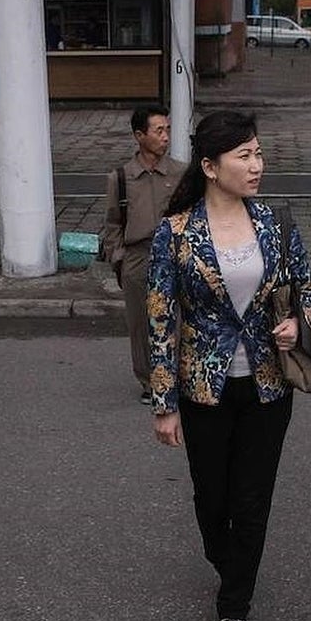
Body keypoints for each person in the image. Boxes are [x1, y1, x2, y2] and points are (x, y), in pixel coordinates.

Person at [147, 110, 311, 621]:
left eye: (258, 153)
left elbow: (306, 289)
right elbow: (160, 319)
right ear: (210, 167)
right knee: (211, 501)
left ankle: (234, 602)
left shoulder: (275, 224)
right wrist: (164, 403)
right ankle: (229, 561)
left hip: (268, 386)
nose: (257, 165)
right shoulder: (175, 233)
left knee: (252, 500)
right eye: (244, 156)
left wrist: (297, 322)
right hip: (204, 389)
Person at [99, 105, 187, 405]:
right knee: (141, 324)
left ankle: (177, 377)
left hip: (172, 254)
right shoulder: (121, 178)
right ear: (139, 136)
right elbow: (112, 223)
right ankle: (150, 382)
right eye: (158, 131)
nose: (165, 137)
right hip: (137, 257)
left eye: (167, 130)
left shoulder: (180, 173)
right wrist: (118, 258)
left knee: (177, 319)